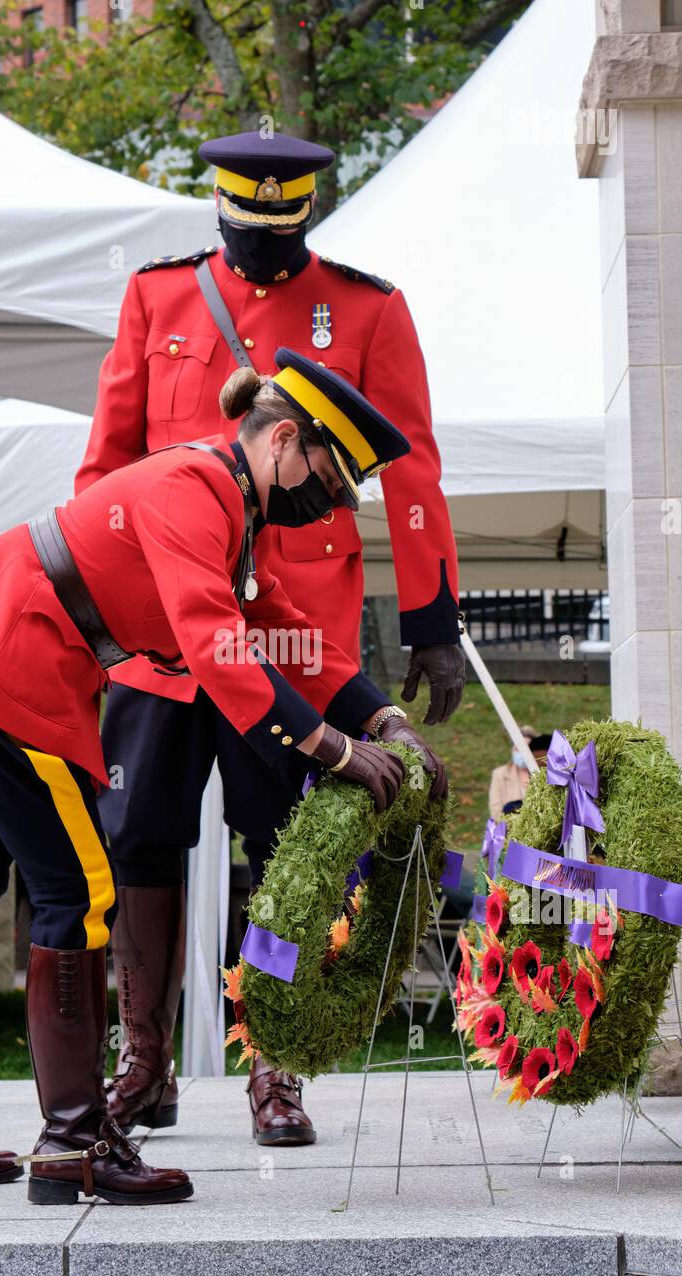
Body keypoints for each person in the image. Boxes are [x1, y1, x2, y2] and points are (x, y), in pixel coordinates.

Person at [0, 350, 445, 1206]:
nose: (328, 504)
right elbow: (216, 644)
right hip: (8, 665)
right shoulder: (199, 490)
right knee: (80, 893)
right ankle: (74, 1146)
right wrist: (330, 750)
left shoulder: (228, 508)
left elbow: (282, 628)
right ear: (284, 439)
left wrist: (382, 719)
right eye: (328, 482)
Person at [77, 128, 464, 1146]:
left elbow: (413, 472)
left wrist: (431, 624)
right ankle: (145, 1058)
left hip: (298, 644)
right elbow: (105, 470)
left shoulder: (369, 308)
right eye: (241, 232)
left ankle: (275, 1063)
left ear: (307, 217)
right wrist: (106, 619)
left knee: (289, 846)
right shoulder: (158, 297)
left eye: (275, 234)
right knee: (143, 839)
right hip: (166, 638)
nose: (256, 254)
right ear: (219, 212)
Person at [488, 724, 538, 821]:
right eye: (517, 749)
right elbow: (496, 812)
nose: (521, 753)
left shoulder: (543, 775)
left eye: (526, 749)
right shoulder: (500, 774)